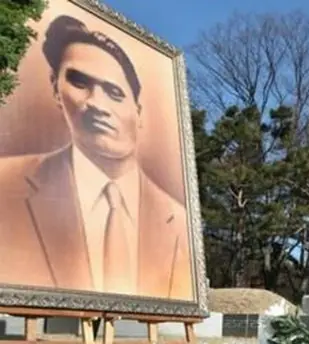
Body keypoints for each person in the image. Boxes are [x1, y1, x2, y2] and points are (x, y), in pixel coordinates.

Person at [0, 15, 193, 301]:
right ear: (56, 88)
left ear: (138, 111)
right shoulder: (6, 183)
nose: (96, 104)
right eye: (79, 82)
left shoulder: (179, 221)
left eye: (114, 92)